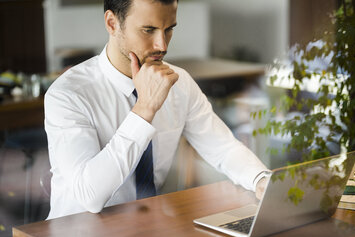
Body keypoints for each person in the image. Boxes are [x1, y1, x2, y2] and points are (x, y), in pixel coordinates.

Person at [44, 0, 271, 219]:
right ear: (112, 23)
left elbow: (223, 148)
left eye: (169, 29)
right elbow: (89, 197)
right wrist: (145, 108)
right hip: (76, 235)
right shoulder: (68, 94)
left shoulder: (180, 82)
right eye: (148, 30)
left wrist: (260, 179)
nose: (162, 45)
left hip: (147, 228)